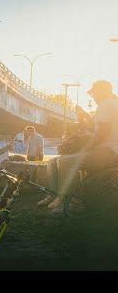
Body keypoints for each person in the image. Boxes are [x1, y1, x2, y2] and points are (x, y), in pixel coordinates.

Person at [43, 80, 118, 214]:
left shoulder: (106, 104)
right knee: (52, 161)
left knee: (64, 161)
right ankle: (55, 195)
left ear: (101, 92)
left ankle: (73, 202)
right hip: (109, 151)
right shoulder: (112, 104)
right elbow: (100, 130)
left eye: (93, 94)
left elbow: (102, 134)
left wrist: (85, 148)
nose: (93, 97)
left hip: (109, 152)